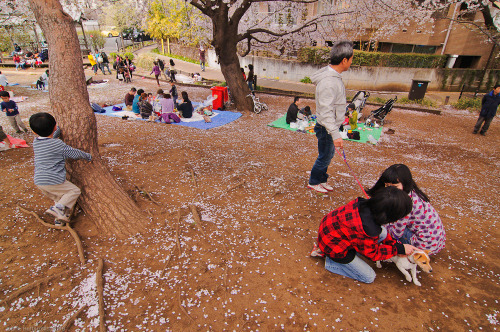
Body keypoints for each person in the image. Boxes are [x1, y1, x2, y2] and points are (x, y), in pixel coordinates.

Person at [316, 186, 416, 283]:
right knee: (369, 276)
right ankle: (330, 260)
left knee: (383, 232)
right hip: (334, 247)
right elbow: (373, 254)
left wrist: (397, 246)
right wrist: (398, 249)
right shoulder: (367, 230)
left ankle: (329, 251)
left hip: (329, 230)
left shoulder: (365, 204)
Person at [366, 164, 446, 255]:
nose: (389, 190)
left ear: (405, 183)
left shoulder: (404, 203)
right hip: (435, 242)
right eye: (387, 185)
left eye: (394, 186)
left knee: (383, 229)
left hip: (422, 246)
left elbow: (396, 233)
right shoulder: (411, 192)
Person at [29, 112, 92, 226]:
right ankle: (56, 210)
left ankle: (59, 219)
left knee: (61, 198)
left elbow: (50, 140)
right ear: (54, 126)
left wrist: (56, 133)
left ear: (34, 131)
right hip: (53, 180)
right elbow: (74, 153)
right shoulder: (58, 144)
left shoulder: (36, 142)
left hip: (40, 181)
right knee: (74, 191)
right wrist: (88, 156)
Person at [307, 41, 353, 194]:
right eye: (351, 59)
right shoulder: (329, 81)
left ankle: (322, 180)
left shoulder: (333, 76)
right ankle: (314, 182)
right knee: (325, 157)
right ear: (344, 60)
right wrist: (335, 134)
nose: (352, 62)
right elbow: (326, 111)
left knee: (328, 155)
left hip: (330, 125)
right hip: (327, 127)